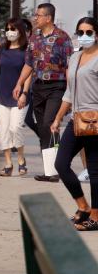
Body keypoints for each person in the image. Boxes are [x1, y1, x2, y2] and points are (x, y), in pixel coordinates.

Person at [12, 3, 73, 182]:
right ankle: (50, 171)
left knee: (49, 123)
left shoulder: (63, 38)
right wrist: (19, 84)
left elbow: (69, 65)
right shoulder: (34, 38)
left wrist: (71, 90)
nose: (35, 18)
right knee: (42, 127)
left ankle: (58, 167)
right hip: (38, 87)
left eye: (38, 15)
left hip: (57, 87)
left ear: (48, 18)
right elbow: (29, 64)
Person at [50, 17, 98, 230]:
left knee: (95, 169)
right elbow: (69, 92)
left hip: (96, 119)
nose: (85, 36)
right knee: (60, 164)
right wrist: (58, 117)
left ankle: (95, 217)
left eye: (89, 32)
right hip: (76, 119)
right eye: (81, 32)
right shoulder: (75, 57)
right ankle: (83, 206)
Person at [0, 18, 31, 177]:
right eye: (7, 29)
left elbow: (29, 73)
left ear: (20, 31)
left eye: (13, 29)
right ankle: (8, 164)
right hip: (0, 94)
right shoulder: (2, 48)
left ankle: (20, 159)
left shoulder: (27, 49)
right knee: (3, 130)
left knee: (15, 127)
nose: (10, 32)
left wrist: (24, 93)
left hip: (19, 96)